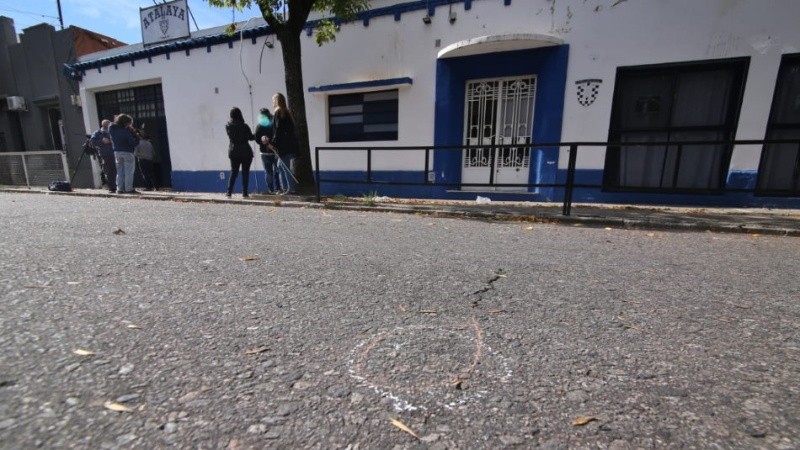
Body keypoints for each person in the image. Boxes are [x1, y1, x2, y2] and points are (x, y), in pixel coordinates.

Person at [270, 92, 299, 194]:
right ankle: (287, 187)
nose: (272, 102)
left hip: (283, 146)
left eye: (273, 100)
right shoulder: (286, 113)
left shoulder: (278, 113)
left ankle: (290, 189)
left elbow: (278, 130)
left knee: (284, 167)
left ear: (277, 101)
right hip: (289, 145)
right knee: (280, 166)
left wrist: (272, 143)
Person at [225, 107, 255, 198]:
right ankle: (245, 193)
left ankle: (229, 192)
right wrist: (256, 134)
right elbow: (250, 137)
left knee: (234, 172)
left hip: (234, 151)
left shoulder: (228, 126)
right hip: (246, 152)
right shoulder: (245, 126)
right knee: (245, 173)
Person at [109, 114, 140, 194]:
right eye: (129, 123)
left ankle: (119, 189)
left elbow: (112, 125)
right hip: (127, 152)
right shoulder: (126, 131)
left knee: (120, 171)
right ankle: (129, 189)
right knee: (129, 171)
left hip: (117, 152)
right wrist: (136, 137)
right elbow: (133, 143)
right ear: (126, 123)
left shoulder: (112, 128)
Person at [254, 108, 277, 194]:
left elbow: (257, 139)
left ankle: (271, 189)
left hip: (264, 152)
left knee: (268, 172)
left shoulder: (259, 126)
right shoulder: (273, 123)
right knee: (277, 170)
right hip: (274, 150)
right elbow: (276, 135)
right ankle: (278, 188)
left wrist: (263, 142)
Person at [90, 119, 116, 193]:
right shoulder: (98, 133)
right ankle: (112, 187)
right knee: (109, 170)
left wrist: (111, 141)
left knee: (117, 170)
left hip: (116, 153)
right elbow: (93, 142)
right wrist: (102, 141)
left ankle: (120, 186)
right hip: (106, 154)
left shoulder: (113, 131)